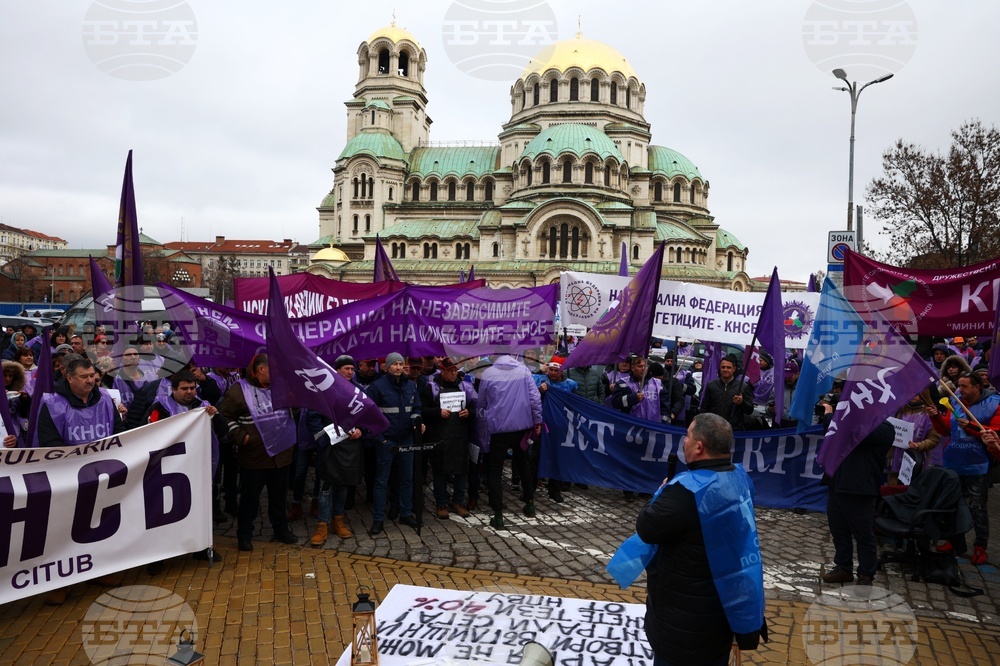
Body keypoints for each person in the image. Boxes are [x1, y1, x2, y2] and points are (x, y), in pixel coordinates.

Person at [636, 413, 765, 665]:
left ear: (699, 447)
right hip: (721, 615)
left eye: (687, 436)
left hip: (680, 628)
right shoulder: (740, 477)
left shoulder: (683, 492)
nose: (683, 441)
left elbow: (647, 527)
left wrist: (661, 491)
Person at [218, 354, 299, 551]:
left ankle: (281, 529)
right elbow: (224, 417)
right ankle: (244, 534)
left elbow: (294, 410)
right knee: (249, 499)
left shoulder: (281, 387)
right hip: (254, 456)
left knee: (279, 497)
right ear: (261, 369)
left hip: (281, 454)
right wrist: (241, 437)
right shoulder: (239, 391)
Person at [927, 371, 1000, 565]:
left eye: (965, 386)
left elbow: (995, 432)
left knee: (977, 508)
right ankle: (954, 540)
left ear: (978, 387)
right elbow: (946, 429)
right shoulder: (956, 401)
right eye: (959, 386)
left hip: (977, 466)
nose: (960, 390)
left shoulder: (994, 403)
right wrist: (935, 417)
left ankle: (980, 546)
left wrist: (970, 427)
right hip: (953, 462)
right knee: (951, 504)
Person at [821, 420, 895, 585]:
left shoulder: (885, 429)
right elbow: (831, 432)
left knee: (863, 534)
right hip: (837, 483)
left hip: (860, 489)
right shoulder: (846, 421)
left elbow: (853, 432)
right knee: (839, 531)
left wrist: (832, 416)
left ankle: (866, 574)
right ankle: (843, 567)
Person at [479, 354, 543, 528]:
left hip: (498, 429)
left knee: (495, 470)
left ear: (495, 356)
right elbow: (535, 399)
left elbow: (482, 402)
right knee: (523, 464)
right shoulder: (524, 371)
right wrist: (537, 422)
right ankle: (530, 504)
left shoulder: (488, 373)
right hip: (521, 428)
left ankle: (498, 514)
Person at [365, 352, 424, 535]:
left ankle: (406, 512)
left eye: (400, 363)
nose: (398, 367)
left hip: (406, 438)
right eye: (394, 364)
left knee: (407, 478)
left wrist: (417, 422)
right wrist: (380, 439)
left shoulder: (410, 386)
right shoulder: (377, 387)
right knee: (382, 481)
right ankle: (378, 519)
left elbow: (416, 408)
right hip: (386, 440)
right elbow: (370, 416)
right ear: (387, 367)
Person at [422, 357, 476, 520]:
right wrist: (437, 412)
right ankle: (441, 503)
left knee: (461, 471)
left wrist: (469, 413)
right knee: (439, 472)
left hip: (459, 436)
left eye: (455, 370)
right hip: (440, 436)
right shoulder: (430, 387)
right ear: (442, 371)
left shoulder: (464, 386)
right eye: (450, 371)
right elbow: (422, 409)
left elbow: (474, 406)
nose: (454, 373)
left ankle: (458, 501)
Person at [701, 355, 754, 430]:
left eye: (728, 367)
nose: (725, 370)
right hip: (713, 428)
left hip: (733, 429)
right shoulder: (711, 385)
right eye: (723, 367)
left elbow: (750, 410)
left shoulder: (743, 387)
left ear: (734, 369)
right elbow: (704, 407)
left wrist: (742, 402)